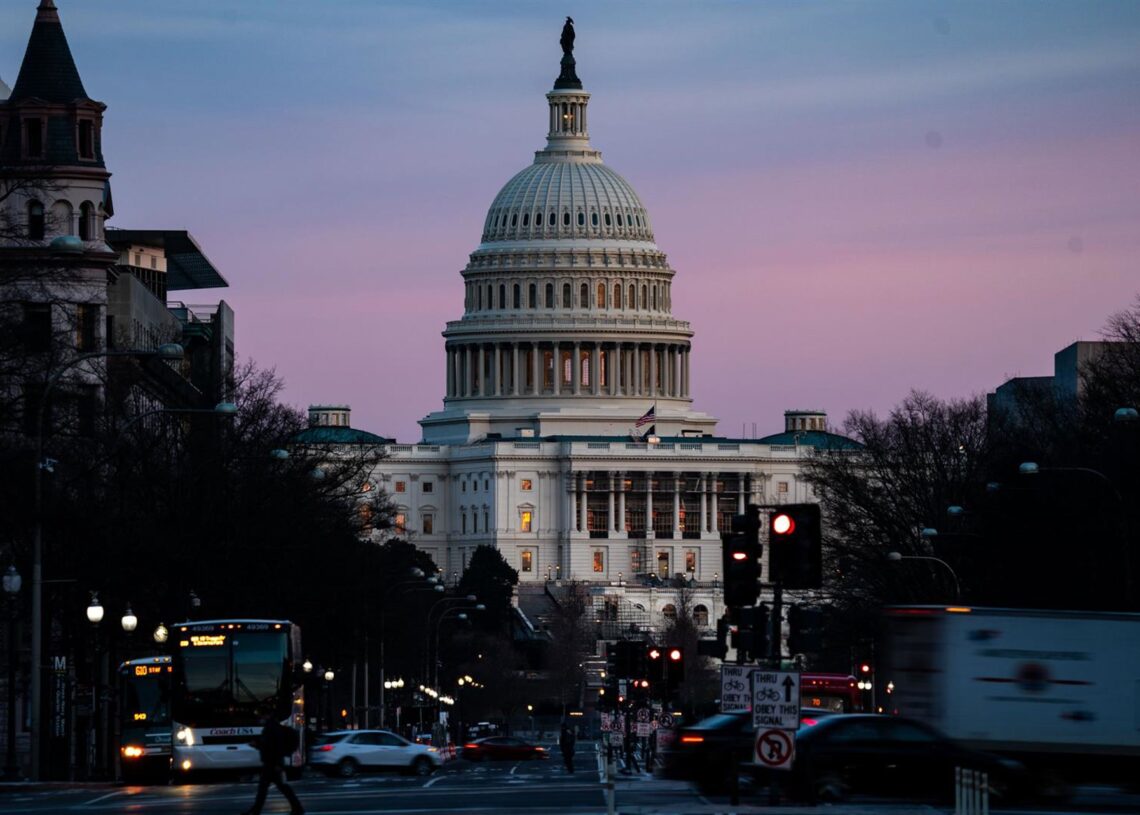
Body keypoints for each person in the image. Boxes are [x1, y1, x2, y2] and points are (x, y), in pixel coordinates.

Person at [241, 714, 303, 815]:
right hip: (274, 763)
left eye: (261, 717)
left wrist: (258, 745)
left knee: (266, 789)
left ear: (267, 717)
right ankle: (297, 808)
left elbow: (273, 747)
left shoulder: (271, 729)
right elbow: (271, 746)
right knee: (280, 788)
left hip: (272, 764)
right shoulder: (273, 728)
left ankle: (256, 810)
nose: (260, 719)